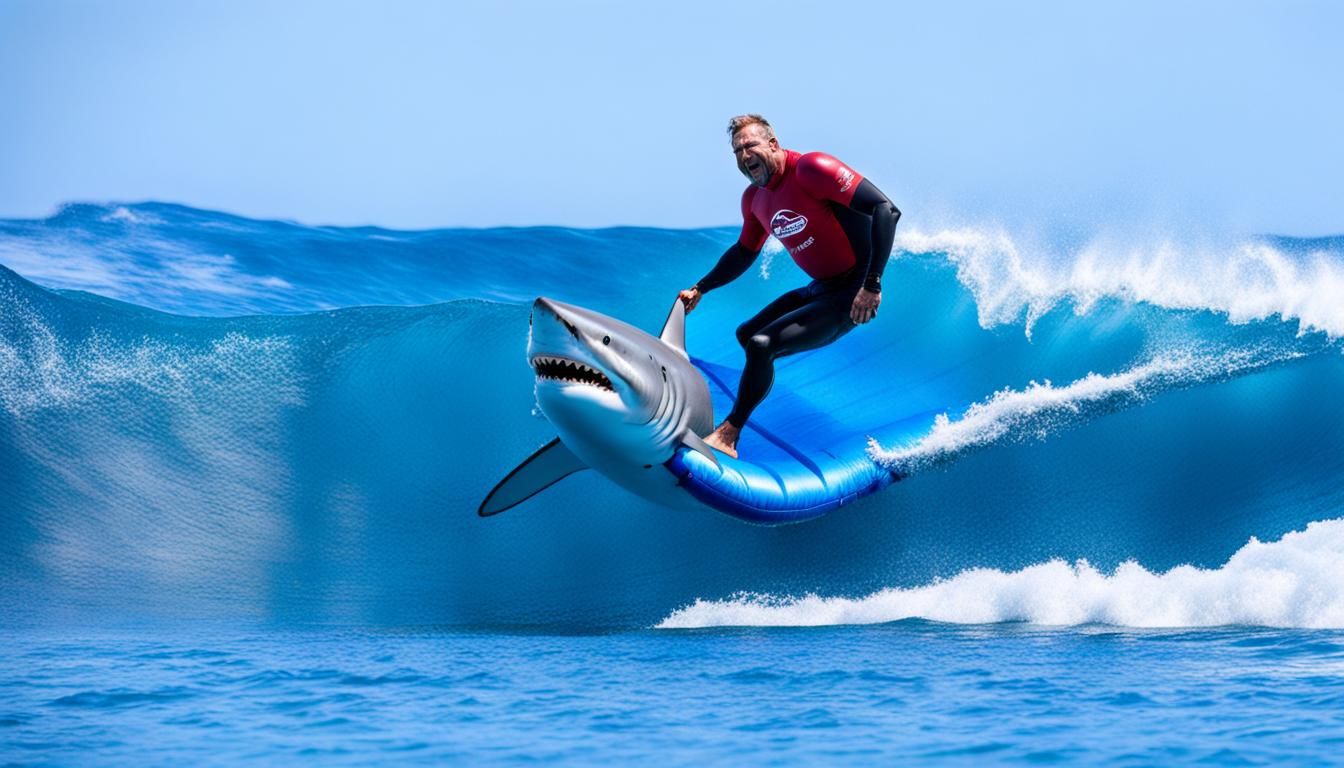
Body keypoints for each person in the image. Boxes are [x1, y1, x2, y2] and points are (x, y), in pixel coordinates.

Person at [679, 114, 900, 459]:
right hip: (822, 287)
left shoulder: (812, 169)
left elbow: (886, 209)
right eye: (737, 151)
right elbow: (743, 252)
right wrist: (701, 288)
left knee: (761, 344)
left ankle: (729, 435)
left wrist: (872, 284)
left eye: (750, 145)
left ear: (773, 144)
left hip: (854, 290)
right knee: (747, 334)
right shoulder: (754, 199)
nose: (744, 155)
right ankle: (756, 404)